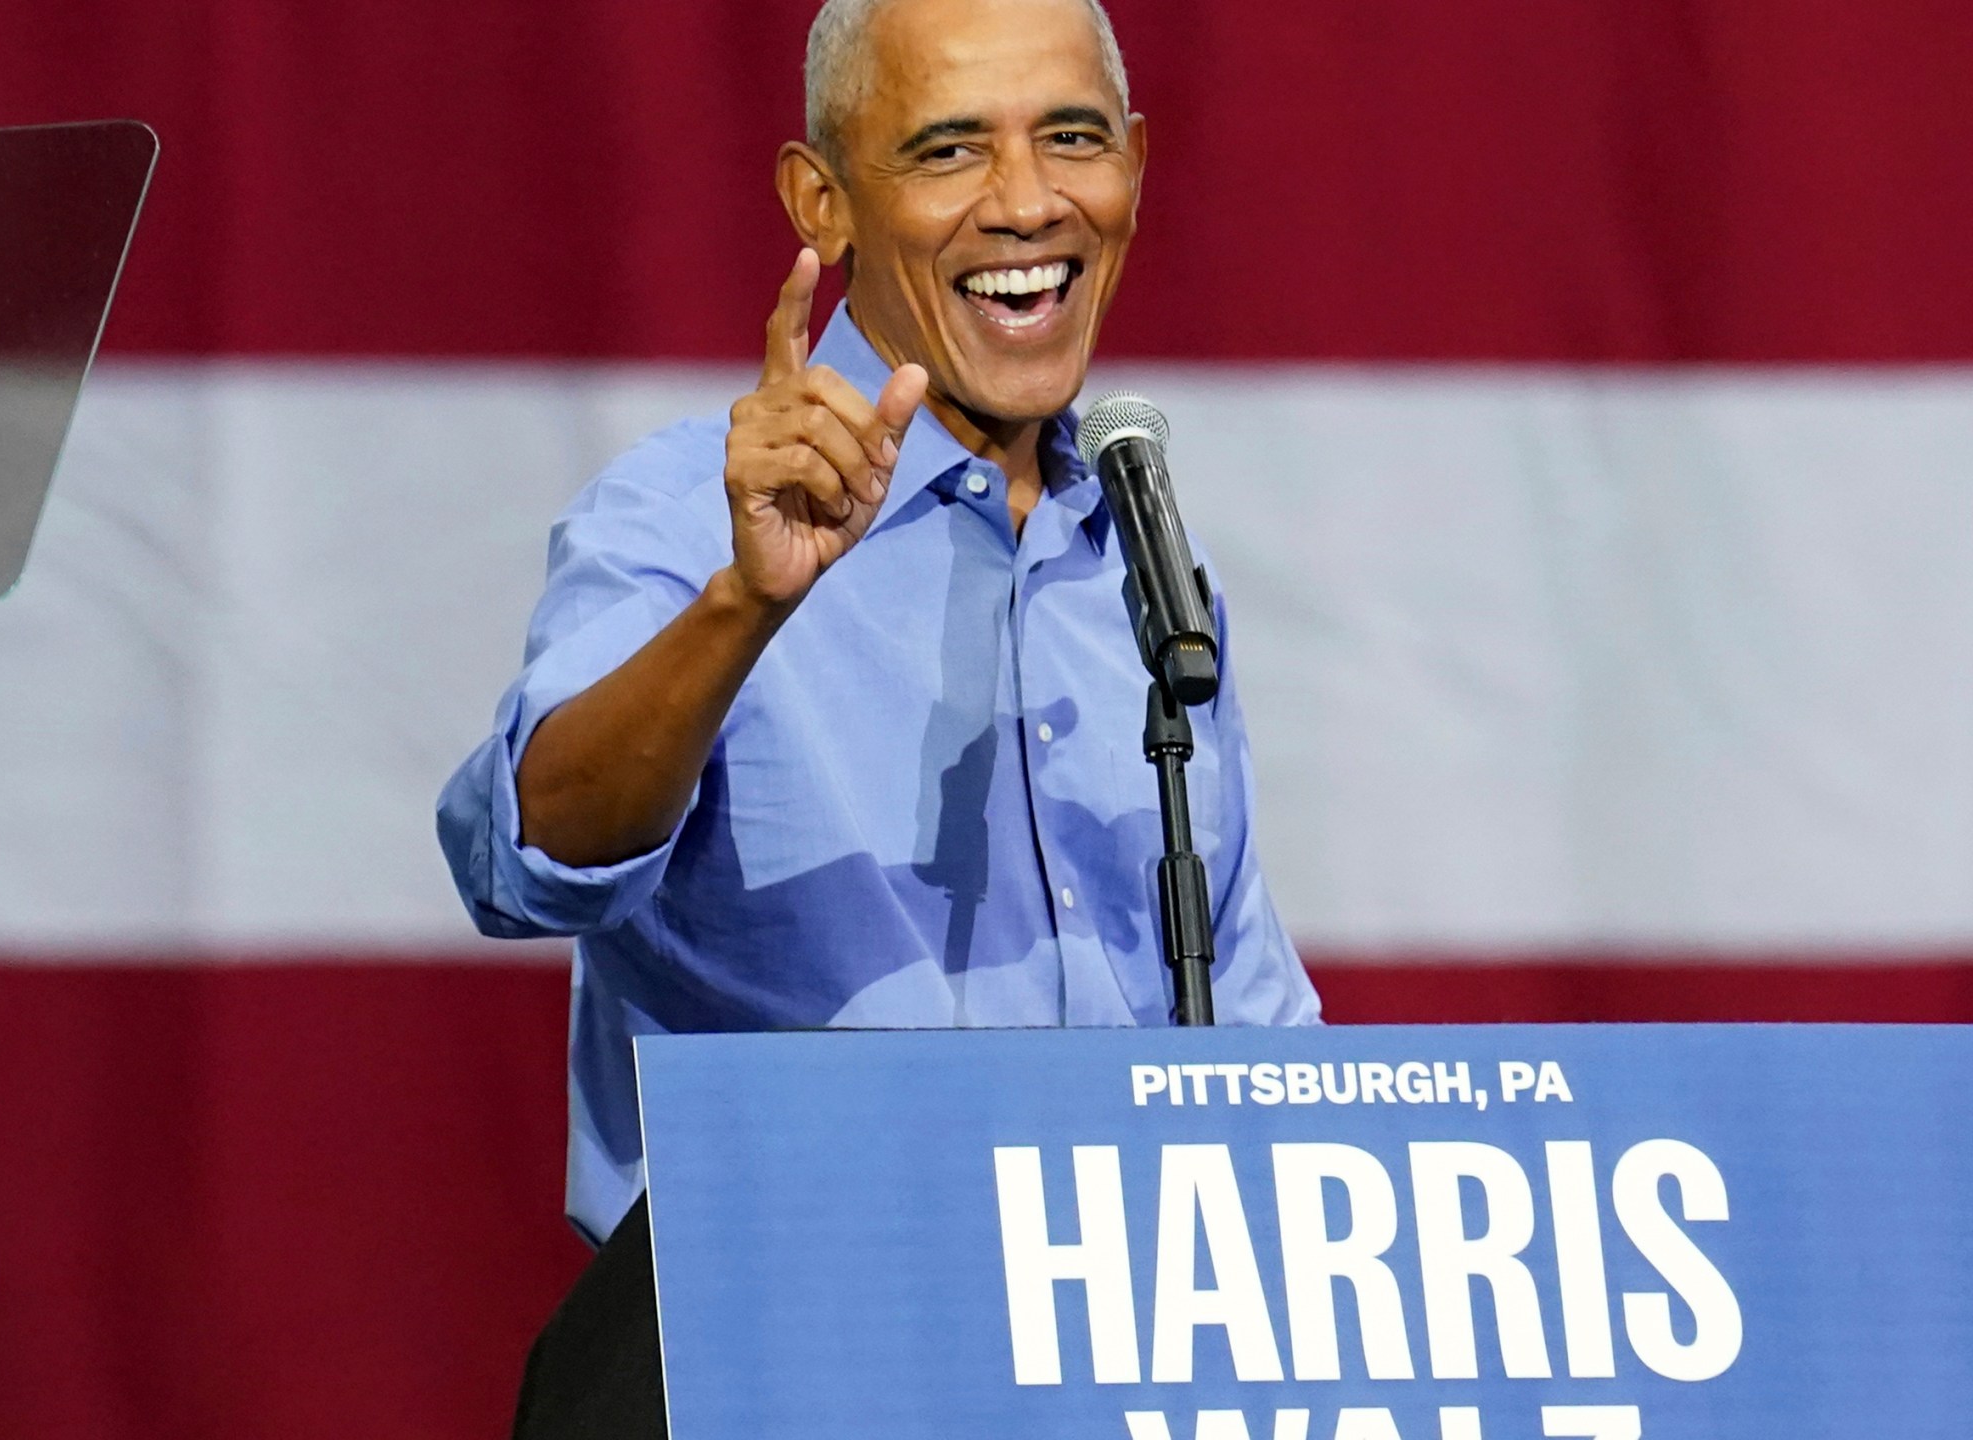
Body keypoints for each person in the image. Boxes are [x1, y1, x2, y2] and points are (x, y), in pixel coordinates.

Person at [436, 0, 1321, 1431]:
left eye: (1072, 138)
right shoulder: (689, 518)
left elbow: (1253, 1029)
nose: (1026, 200)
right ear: (823, 200)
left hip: (1117, 1367)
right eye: (949, 149)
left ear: (1137, 168)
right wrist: (746, 606)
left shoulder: (1146, 559)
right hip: (786, 1353)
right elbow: (533, 852)